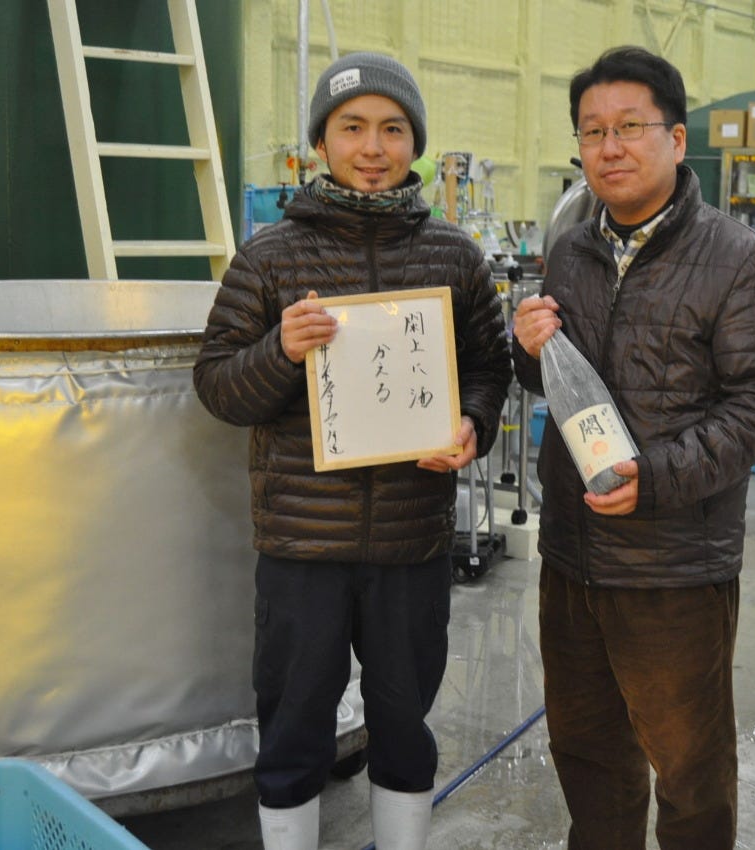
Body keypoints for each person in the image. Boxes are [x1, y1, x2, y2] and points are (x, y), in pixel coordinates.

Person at [194, 52, 511, 850]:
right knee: (293, 722)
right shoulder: (269, 258)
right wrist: (280, 350)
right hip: (303, 546)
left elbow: (488, 366)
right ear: (320, 143)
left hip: (413, 542)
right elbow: (219, 388)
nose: (373, 148)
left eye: (393, 129)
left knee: (405, 721)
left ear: (416, 144)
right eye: (353, 128)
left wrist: (472, 425)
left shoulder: (454, 256)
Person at [511, 46, 755, 850]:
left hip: (673, 568)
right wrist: (527, 348)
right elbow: (553, 385)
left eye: (630, 127)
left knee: (689, 775)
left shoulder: (739, 260)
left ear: (676, 139)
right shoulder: (571, 251)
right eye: (592, 131)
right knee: (588, 759)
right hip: (571, 557)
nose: (609, 147)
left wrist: (659, 476)